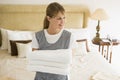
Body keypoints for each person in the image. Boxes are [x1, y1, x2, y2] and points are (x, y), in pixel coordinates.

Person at [32, 2, 77, 80]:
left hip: (61, 77)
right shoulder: (37, 36)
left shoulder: (69, 37)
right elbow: (36, 61)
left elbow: (69, 61)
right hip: (41, 77)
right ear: (49, 18)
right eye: (59, 18)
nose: (63, 21)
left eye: (64, 18)